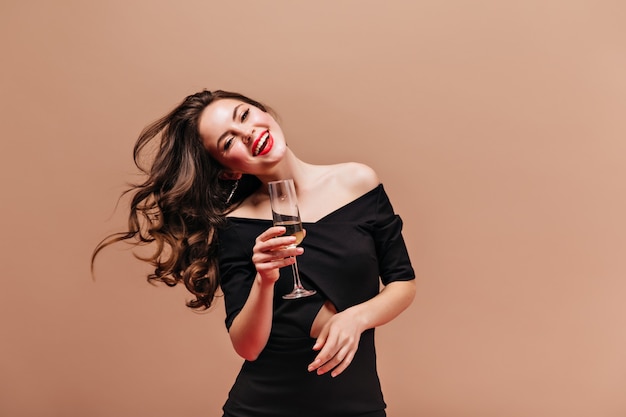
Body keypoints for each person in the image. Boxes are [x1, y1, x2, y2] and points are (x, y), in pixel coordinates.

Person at [92, 89, 416, 417]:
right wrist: (264, 279)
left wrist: (355, 318)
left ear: (264, 112)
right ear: (228, 170)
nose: (247, 133)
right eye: (228, 141)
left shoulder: (357, 182)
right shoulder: (235, 226)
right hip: (263, 407)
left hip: (357, 406)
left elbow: (403, 283)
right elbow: (247, 347)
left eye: (244, 116)